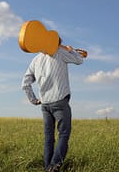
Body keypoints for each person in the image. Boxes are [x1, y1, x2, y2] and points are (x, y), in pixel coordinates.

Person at [21, 37, 84, 172]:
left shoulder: (36, 60)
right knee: (63, 134)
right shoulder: (60, 53)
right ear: (57, 44)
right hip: (60, 101)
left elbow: (25, 83)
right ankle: (54, 166)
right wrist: (71, 50)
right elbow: (79, 60)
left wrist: (34, 100)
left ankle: (47, 168)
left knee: (48, 138)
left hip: (44, 104)